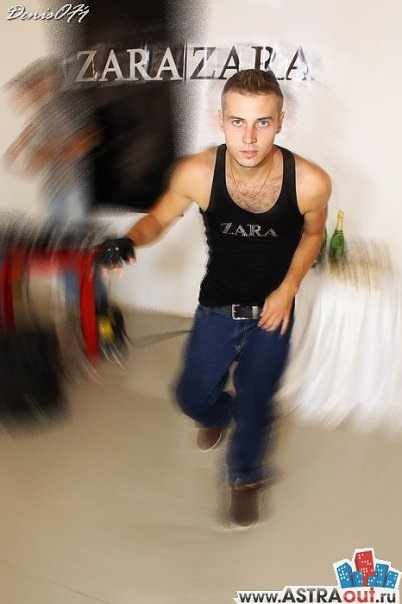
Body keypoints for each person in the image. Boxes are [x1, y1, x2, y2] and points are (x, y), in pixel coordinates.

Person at [103, 69, 331, 528]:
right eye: (237, 121)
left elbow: (313, 236)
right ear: (220, 120)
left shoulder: (310, 181)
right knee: (190, 397)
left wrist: (288, 289)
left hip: (273, 311)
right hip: (217, 306)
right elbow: (158, 219)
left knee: (257, 402)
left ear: (280, 122)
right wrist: (128, 240)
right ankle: (219, 413)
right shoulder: (197, 173)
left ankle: (244, 476)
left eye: (262, 122)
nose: (248, 138)